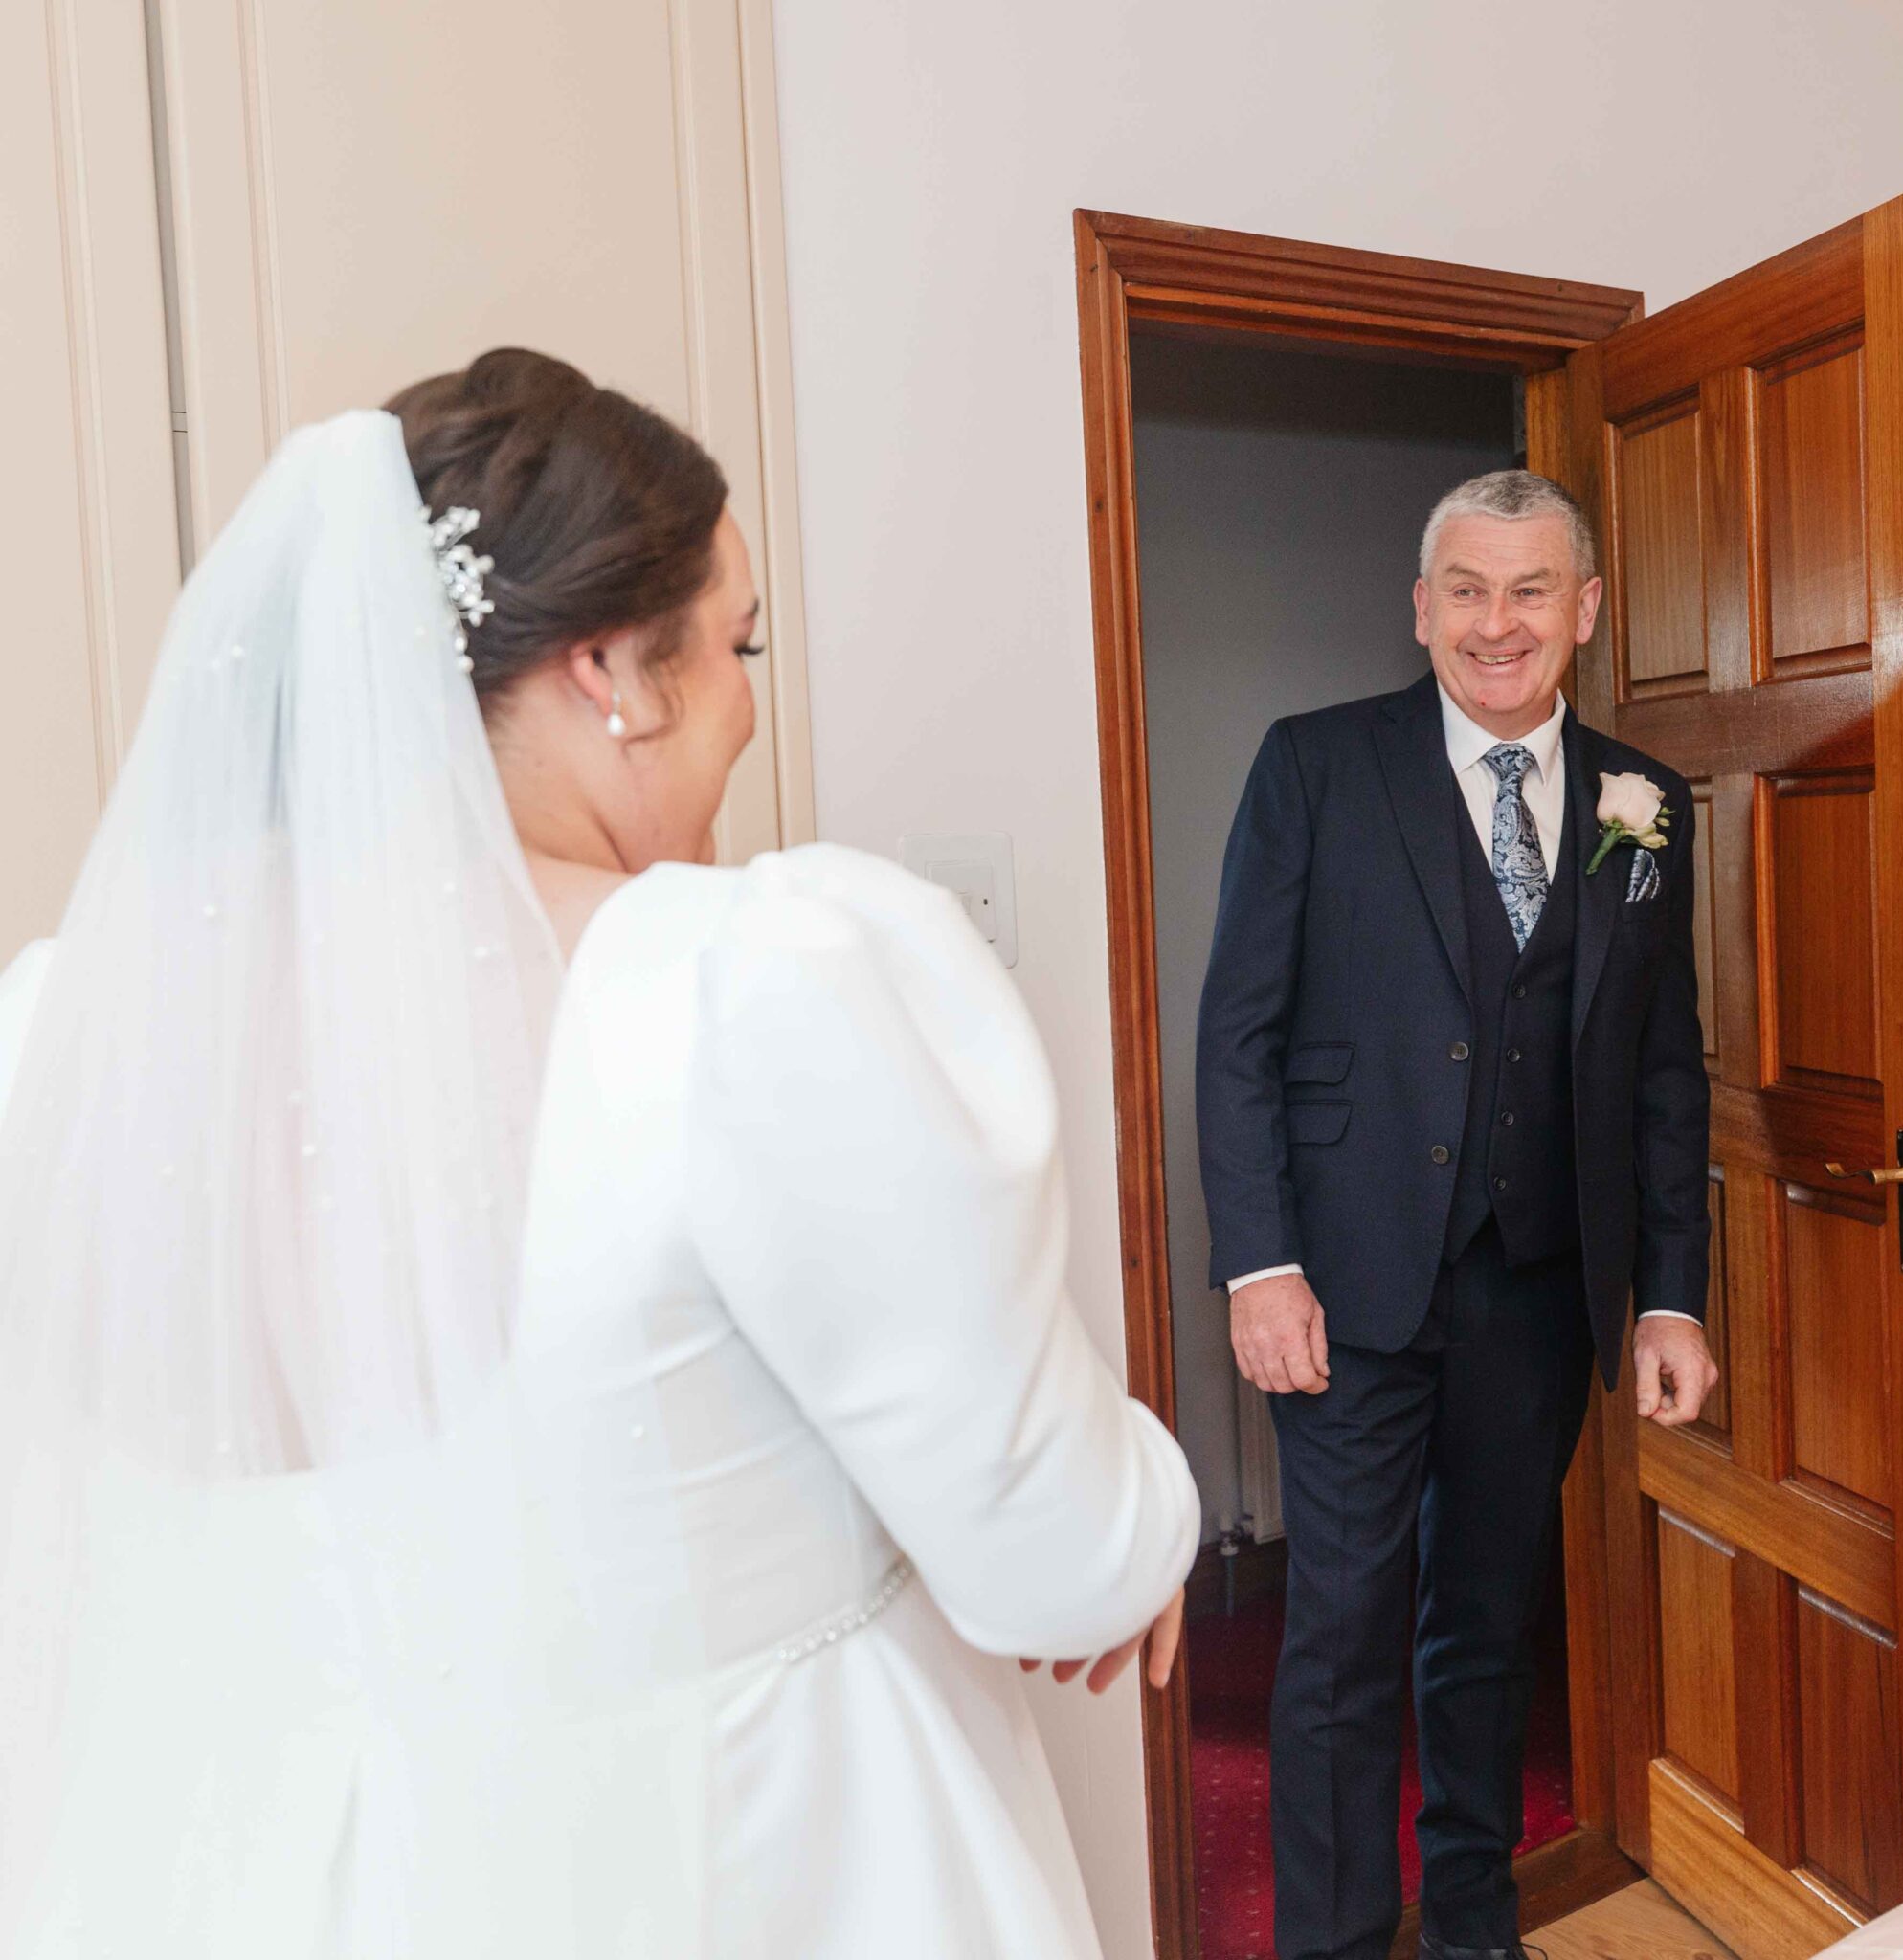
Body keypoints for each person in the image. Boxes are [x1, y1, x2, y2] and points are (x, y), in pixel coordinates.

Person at [0, 350, 1198, 1957]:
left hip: (323, 1879)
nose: (749, 700)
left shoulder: (65, 1028)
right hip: (764, 1860)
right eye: (733, 641)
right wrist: (1133, 1539)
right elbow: (1041, 1535)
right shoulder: (736, 990)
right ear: (611, 672)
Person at [1197, 471, 1715, 1960]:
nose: (1501, 624)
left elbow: (1663, 1065)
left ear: (1587, 612)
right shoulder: (1315, 765)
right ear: (1420, 610)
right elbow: (1239, 1034)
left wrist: (1670, 1292)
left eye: (1533, 590)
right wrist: (1261, 1263)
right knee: (1344, 1644)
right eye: (1470, 591)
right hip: (1344, 1286)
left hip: (1540, 1290)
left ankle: (1477, 1933)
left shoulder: (1644, 802)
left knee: (1487, 1634)